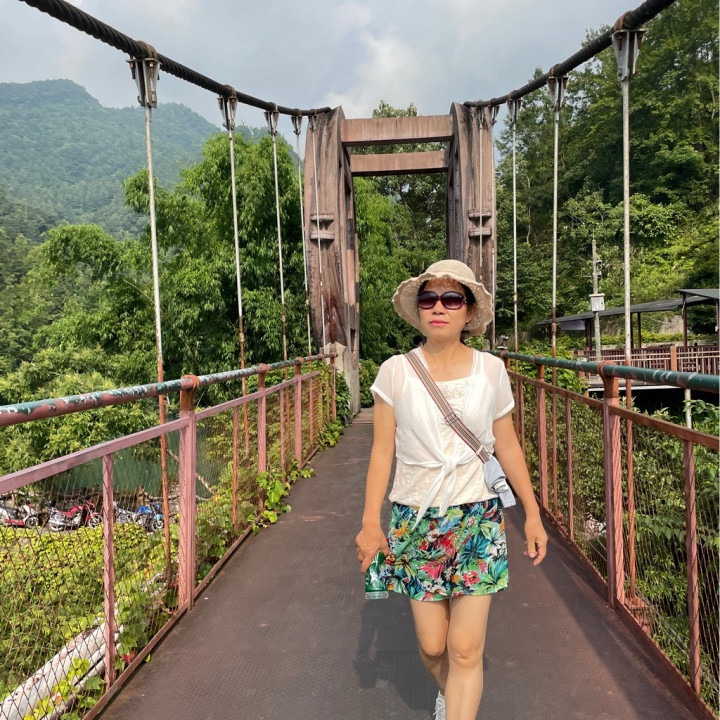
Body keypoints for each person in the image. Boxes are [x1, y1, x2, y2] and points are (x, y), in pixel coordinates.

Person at [355, 259, 548, 720]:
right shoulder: (395, 372)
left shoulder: (491, 370)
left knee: (464, 648)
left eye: (451, 299)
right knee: (432, 646)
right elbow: (382, 450)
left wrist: (532, 513)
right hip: (416, 518)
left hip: (478, 517)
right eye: (429, 298)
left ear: (469, 311)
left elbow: (506, 444)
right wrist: (369, 522)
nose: (438, 307)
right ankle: (450, 694)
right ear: (419, 309)